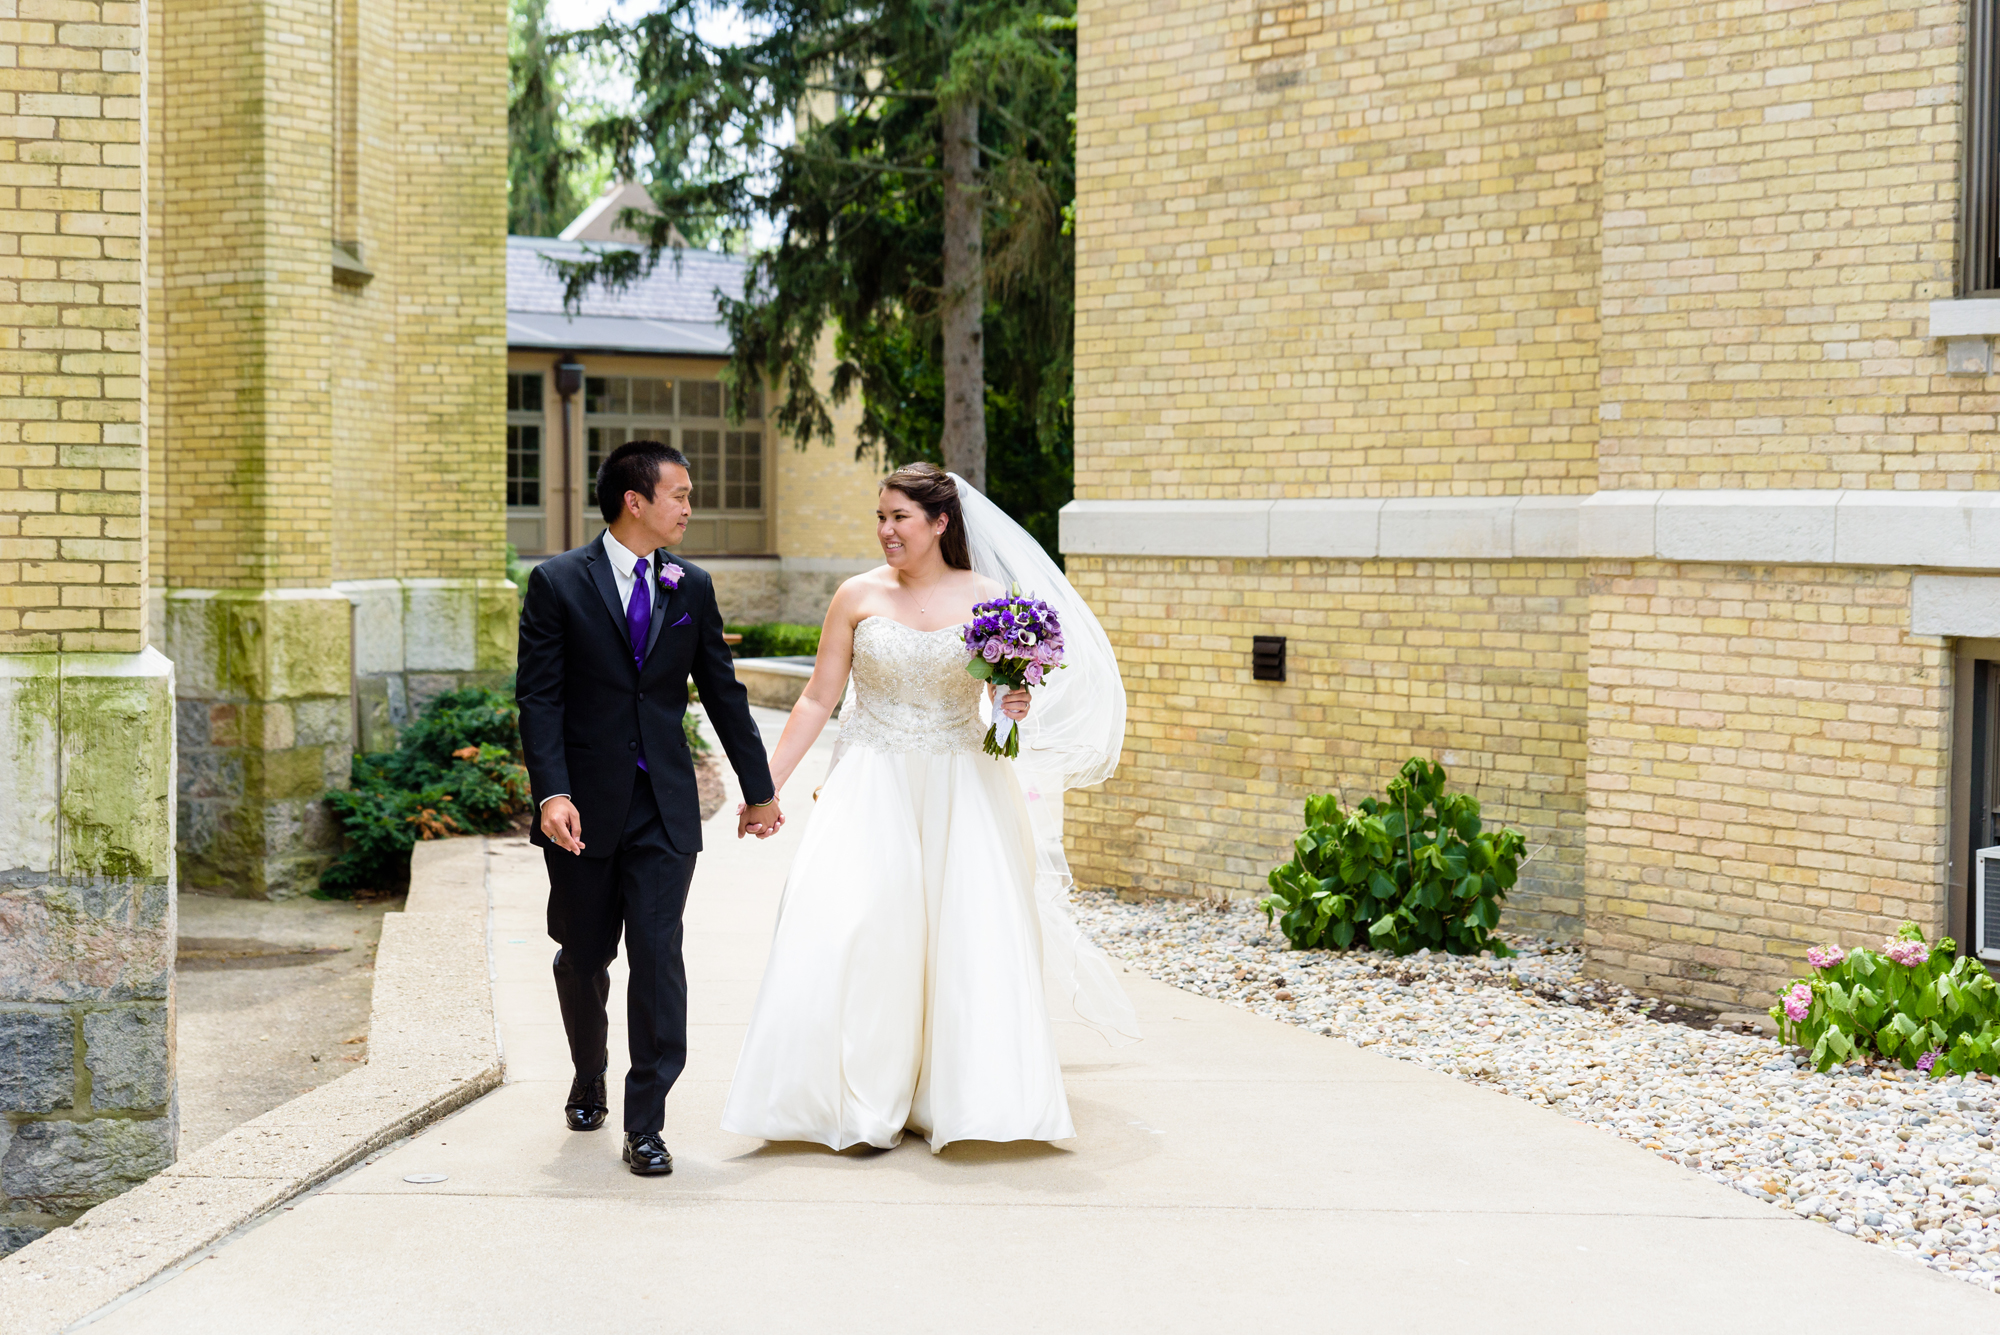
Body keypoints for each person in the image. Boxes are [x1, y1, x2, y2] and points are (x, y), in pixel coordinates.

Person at [721, 463, 1139, 1153]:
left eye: (899, 518)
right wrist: (765, 789)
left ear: (940, 523)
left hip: (962, 783)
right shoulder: (855, 595)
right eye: (880, 516)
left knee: (964, 937)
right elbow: (817, 698)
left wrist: (1015, 702)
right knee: (858, 925)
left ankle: (956, 1096)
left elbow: (1004, 703)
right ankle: (857, 1098)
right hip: (871, 781)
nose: (886, 530)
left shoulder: (990, 598)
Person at [516, 438, 783, 1177]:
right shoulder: (557, 582)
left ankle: (646, 1122)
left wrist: (759, 789)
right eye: (680, 495)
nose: (690, 508)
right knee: (584, 956)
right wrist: (553, 792)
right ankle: (589, 1072)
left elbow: (725, 693)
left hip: (665, 808)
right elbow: (540, 698)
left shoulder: (689, 587)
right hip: (583, 811)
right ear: (636, 500)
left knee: (659, 957)